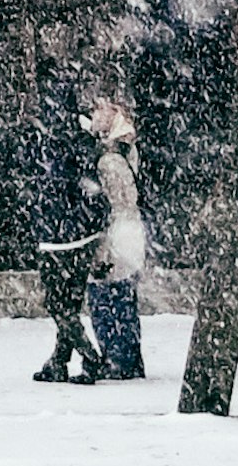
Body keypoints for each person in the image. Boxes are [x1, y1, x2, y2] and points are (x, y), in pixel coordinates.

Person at [28, 52, 107, 386]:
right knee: (70, 300)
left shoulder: (52, 143)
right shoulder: (85, 139)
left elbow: (54, 183)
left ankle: (90, 357)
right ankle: (58, 361)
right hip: (82, 231)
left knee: (57, 302)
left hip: (58, 232)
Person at [83, 79, 148, 384]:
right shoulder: (123, 148)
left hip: (119, 232)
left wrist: (104, 242)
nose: (93, 114)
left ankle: (118, 358)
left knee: (108, 294)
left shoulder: (110, 156)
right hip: (127, 230)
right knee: (120, 296)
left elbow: (121, 202)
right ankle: (126, 357)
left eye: (99, 108)